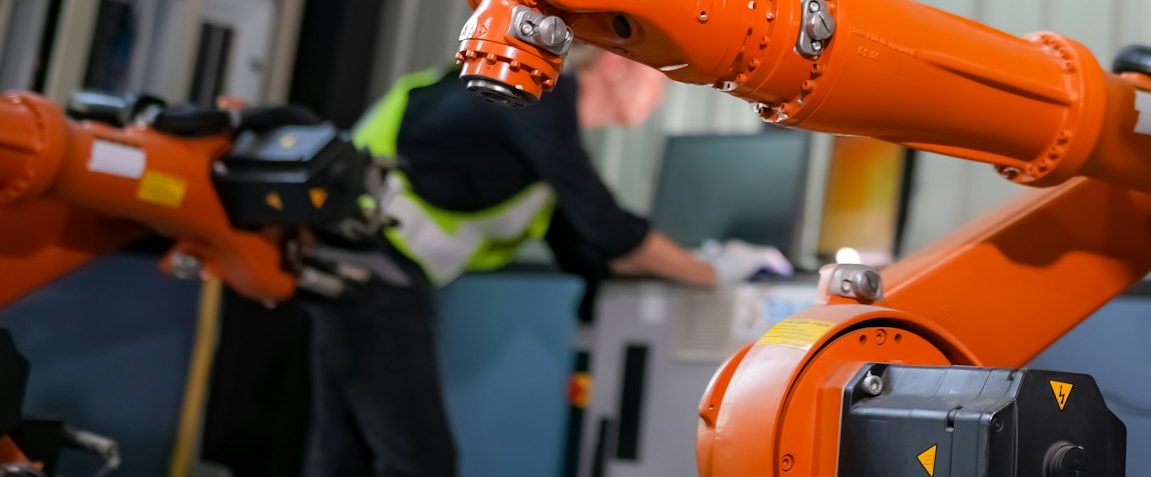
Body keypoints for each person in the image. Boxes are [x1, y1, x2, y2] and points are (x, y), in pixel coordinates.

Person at [303, 46, 789, 477]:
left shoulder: (539, 134)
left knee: (344, 454)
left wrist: (691, 263)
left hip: (363, 273)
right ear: (618, 63)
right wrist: (714, 272)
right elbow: (607, 227)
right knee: (419, 461)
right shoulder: (533, 94)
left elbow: (586, 250)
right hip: (369, 272)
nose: (661, 98)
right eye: (660, 78)